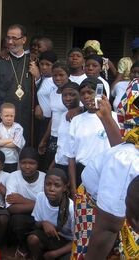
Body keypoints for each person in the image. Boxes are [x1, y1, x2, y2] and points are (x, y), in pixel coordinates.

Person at [72, 78, 138, 259]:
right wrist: (106, 117)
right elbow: (124, 147)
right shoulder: (131, 149)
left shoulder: (126, 160)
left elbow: (107, 229)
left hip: (98, 214)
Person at [66, 77, 119, 199]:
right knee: (85, 216)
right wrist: (74, 187)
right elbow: (71, 157)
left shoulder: (115, 118)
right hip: (83, 174)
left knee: (106, 212)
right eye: (82, 94)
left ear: (101, 93)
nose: (86, 96)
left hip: (109, 173)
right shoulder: (76, 120)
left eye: (90, 92)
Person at [0, 24, 34, 145]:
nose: (10, 42)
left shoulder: (32, 61)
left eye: (14, 38)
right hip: (4, 118)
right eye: (8, 38)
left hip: (27, 115)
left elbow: (39, 87)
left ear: (24, 39)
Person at [5, 147, 46, 257]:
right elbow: (11, 208)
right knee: (16, 221)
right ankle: (23, 247)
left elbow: (46, 208)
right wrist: (38, 204)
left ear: (37, 164)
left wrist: (22, 200)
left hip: (40, 217)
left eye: (32, 163)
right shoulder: (13, 176)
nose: (27, 166)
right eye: (23, 163)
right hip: (22, 216)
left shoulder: (45, 178)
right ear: (19, 163)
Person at [27, 168, 74, 260]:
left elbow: (78, 241)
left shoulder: (71, 208)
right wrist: (44, 223)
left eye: (57, 185)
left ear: (64, 187)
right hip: (51, 237)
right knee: (32, 239)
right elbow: (36, 222)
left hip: (68, 242)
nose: (51, 189)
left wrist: (55, 254)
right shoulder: (41, 197)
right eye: (48, 184)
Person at [38, 62, 70, 170]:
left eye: (61, 75)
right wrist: (44, 139)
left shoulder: (73, 93)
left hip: (67, 138)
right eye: (55, 75)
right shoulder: (52, 93)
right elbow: (54, 118)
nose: (57, 78)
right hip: (54, 137)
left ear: (68, 75)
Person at [49, 81, 81, 175]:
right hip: (60, 164)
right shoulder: (63, 116)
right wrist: (52, 166)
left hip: (75, 167)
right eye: (65, 95)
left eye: (72, 95)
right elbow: (62, 146)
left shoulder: (82, 115)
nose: (68, 98)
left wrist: (80, 109)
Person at [0, 102, 25, 173]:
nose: (9, 118)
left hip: (13, 160)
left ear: (14, 115)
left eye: (11, 116)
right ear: (1, 115)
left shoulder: (18, 128)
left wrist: (0, 141)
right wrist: (11, 140)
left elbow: (15, 144)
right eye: (6, 116)